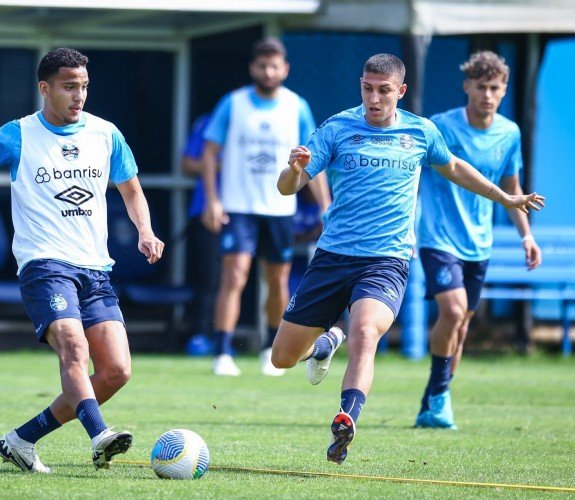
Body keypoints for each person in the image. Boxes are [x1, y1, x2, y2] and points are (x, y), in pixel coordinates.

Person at [272, 53, 544, 465]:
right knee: (282, 358)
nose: (374, 99)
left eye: (383, 91)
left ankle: (347, 417)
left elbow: (454, 167)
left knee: (366, 333)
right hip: (332, 257)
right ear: (360, 85)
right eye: (367, 88)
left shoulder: (420, 132)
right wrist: (294, 170)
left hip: (386, 261)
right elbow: (286, 188)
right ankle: (324, 345)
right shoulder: (337, 127)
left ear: (399, 91)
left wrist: (505, 197)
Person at [0, 47, 164, 473]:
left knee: (116, 371)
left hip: (95, 269)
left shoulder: (107, 134)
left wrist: (145, 231)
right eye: (70, 87)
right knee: (74, 347)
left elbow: (131, 191)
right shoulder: (14, 135)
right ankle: (100, 435)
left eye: (84, 86)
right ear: (44, 88)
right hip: (45, 265)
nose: (79, 96)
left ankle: (22, 439)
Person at [414, 51, 542, 430]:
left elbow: (512, 188)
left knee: (462, 326)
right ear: (466, 86)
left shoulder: (509, 133)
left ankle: (435, 399)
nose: (487, 94)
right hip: (438, 237)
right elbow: (417, 173)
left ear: (504, 91)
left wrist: (526, 236)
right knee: (452, 313)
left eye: (495, 88)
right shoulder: (441, 127)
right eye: (481, 87)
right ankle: (439, 399)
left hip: (479, 243)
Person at [201, 36, 330, 377]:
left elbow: (311, 162)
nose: (269, 71)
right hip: (238, 206)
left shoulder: (297, 106)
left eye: (275, 65)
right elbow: (209, 154)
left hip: (279, 208)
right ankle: (222, 352)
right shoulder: (233, 103)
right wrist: (212, 199)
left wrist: (325, 206)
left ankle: (268, 349)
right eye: (263, 65)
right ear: (253, 68)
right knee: (235, 276)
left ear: (285, 69)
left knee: (278, 281)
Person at [181, 114, 221, 353]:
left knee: (235, 279)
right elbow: (187, 163)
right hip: (206, 211)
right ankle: (199, 335)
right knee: (207, 278)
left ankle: (224, 338)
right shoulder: (208, 122)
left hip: (246, 212)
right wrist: (219, 164)